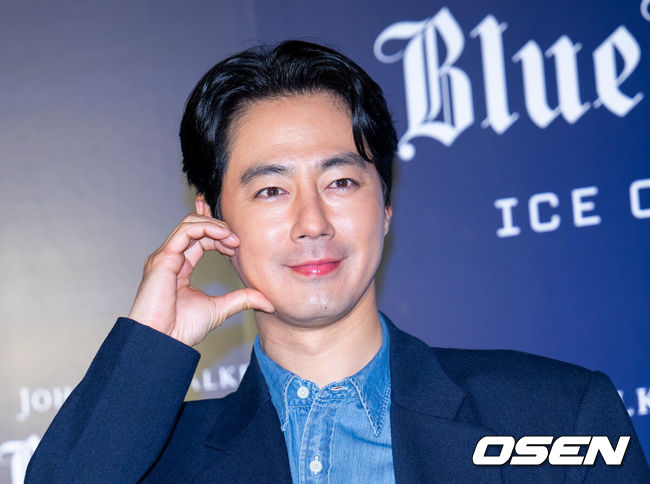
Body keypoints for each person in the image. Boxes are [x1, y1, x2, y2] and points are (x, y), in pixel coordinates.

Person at [26, 40, 648, 483]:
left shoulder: (555, 415)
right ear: (214, 221)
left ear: (386, 206)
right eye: (271, 190)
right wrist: (151, 344)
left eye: (341, 182)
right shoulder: (157, 458)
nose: (312, 222)